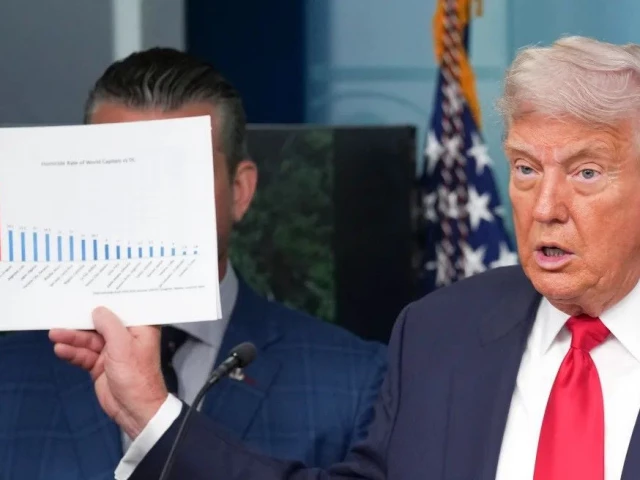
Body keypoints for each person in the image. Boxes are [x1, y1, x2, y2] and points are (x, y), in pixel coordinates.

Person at [52, 33, 640, 480]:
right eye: (526, 169)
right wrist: (151, 413)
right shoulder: (442, 333)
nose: (545, 208)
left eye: (586, 173)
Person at [0, 48, 387, 480]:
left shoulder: (354, 381)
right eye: (115, 172)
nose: (143, 201)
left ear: (239, 191)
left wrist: (154, 417)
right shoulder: (9, 375)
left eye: (175, 173)